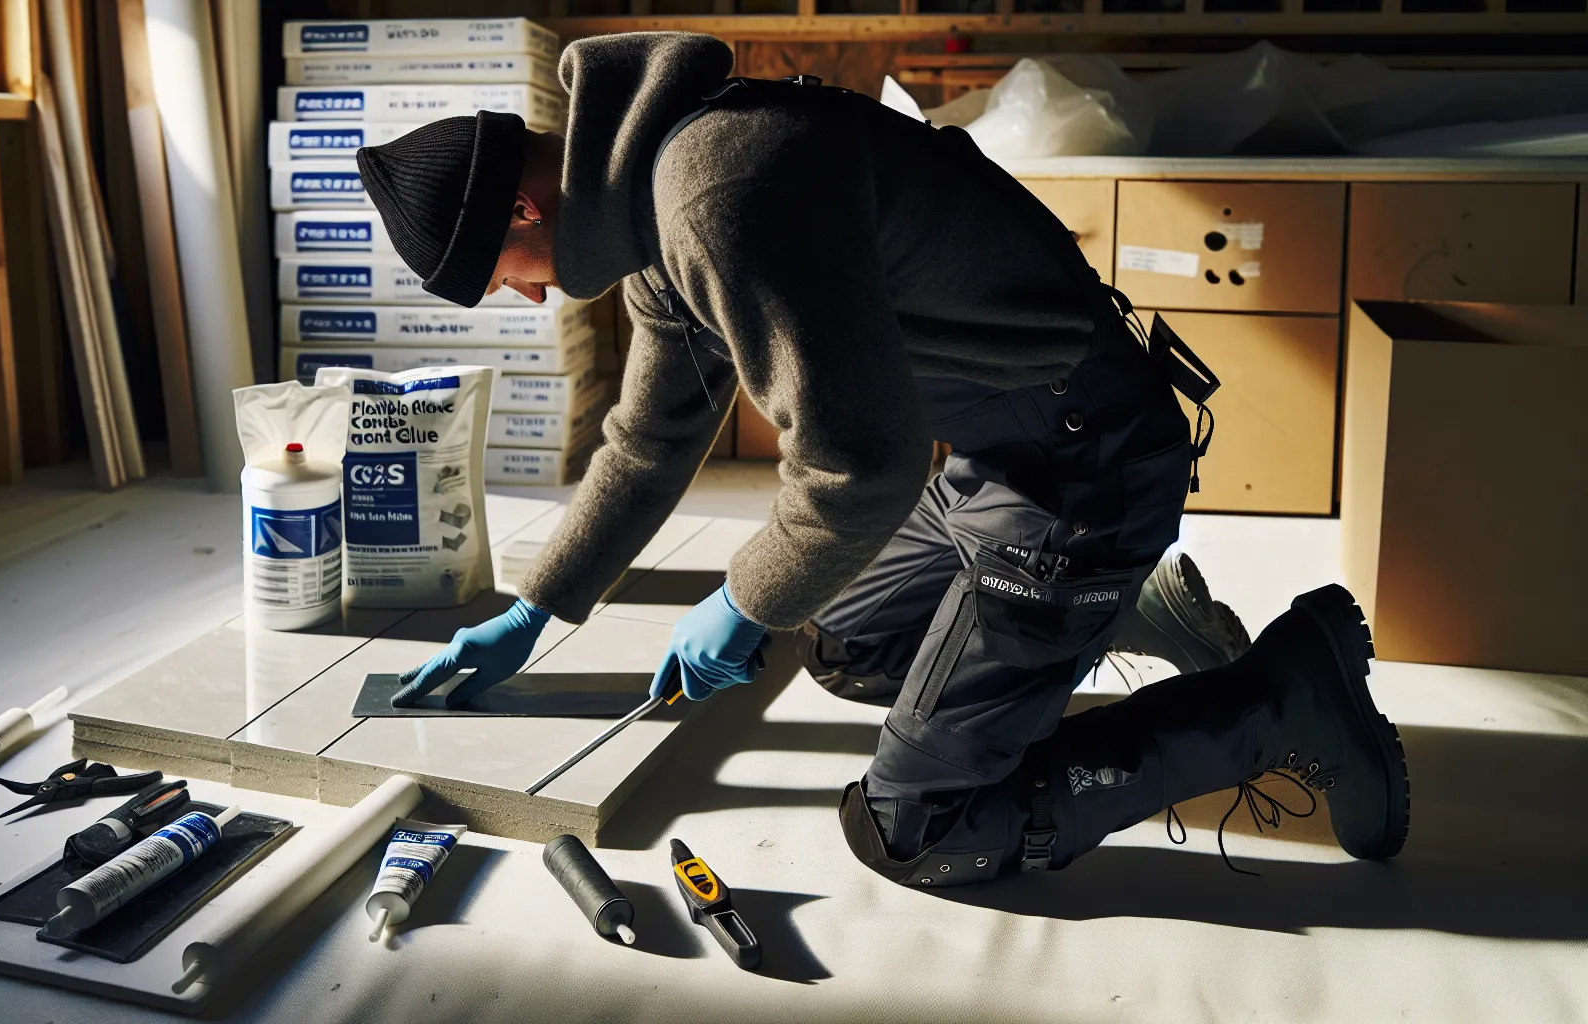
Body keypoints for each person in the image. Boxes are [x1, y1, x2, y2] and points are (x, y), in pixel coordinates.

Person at [356, 32, 1408, 884]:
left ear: (524, 209)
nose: (528, 295)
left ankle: (1283, 694)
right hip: (1003, 459)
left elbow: (858, 466)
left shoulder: (711, 195)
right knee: (844, 646)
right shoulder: (656, 201)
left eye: (503, 274)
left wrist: (740, 596)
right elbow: (649, 440)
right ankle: (1116, 612)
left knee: (923, 827)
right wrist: (534, 611)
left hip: (1086, 471)